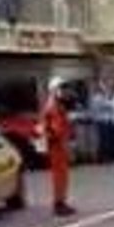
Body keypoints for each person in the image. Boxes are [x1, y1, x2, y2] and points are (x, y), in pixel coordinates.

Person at [42, 77, 75, 216]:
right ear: (55, 90)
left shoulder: (58, 105)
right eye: (62, 89)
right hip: (56, 145)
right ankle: (58, 203)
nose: (65, 92)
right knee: (59, 176)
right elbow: (56, 128)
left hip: (60, 144)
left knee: (63, 176)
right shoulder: (53, 106)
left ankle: (61, 201)